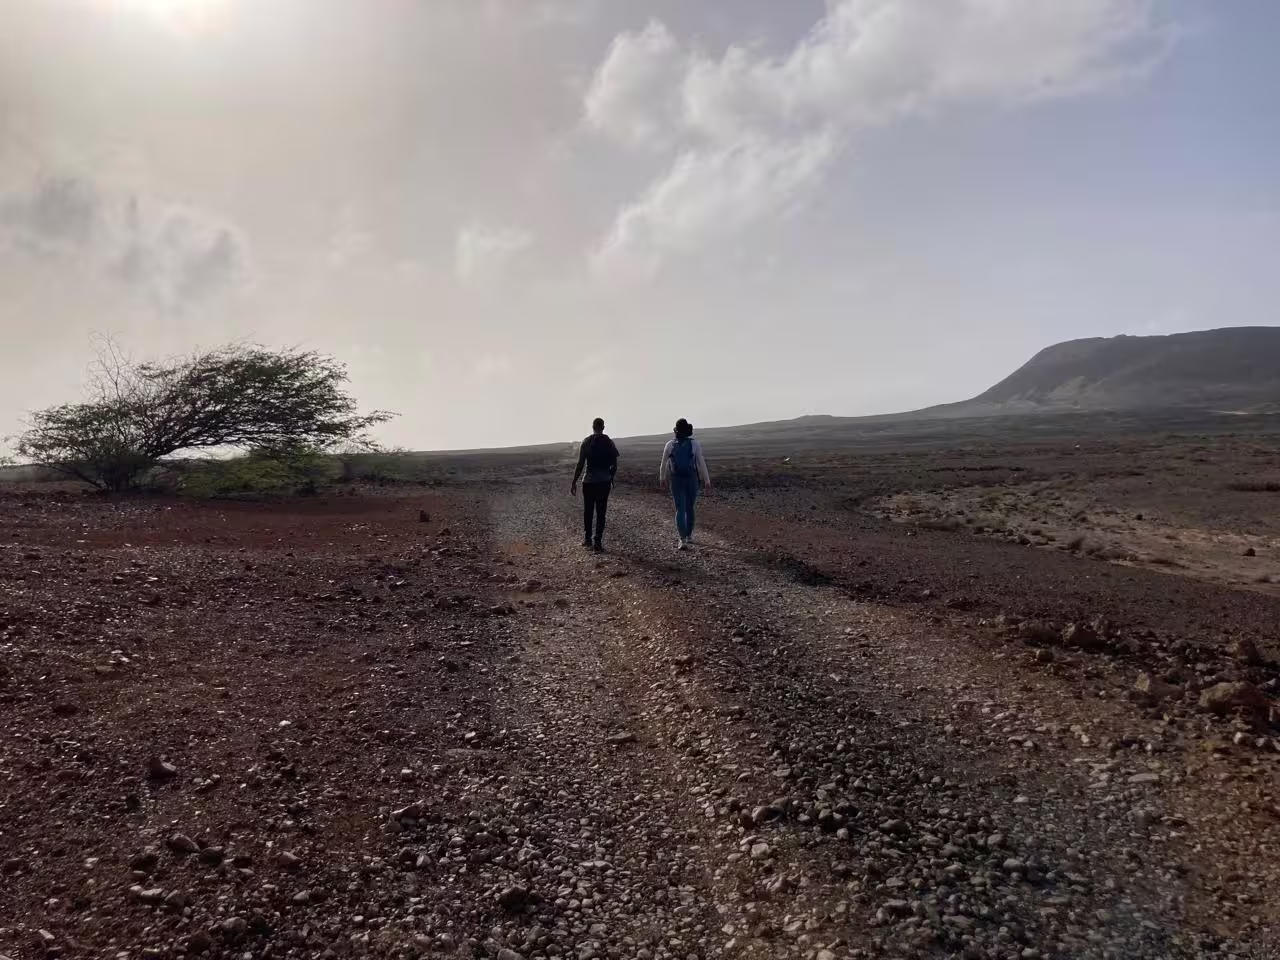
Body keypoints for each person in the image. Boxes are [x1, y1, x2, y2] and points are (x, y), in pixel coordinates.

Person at [659, 418, 710, 550]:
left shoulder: (670, 444)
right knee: (690, 507)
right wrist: (707, 480)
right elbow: (700, 462)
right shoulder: (695, 444)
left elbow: (663, 462)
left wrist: (662, 477)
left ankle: (682, 539)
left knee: (680, 509)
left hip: (676, 480)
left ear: (676, 430)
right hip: (691, 479)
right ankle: (689, 536)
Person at [571, 417, 619, 552]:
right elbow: (614, 464)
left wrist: (574, 481)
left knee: (588, 511)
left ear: (592, 427)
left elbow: (580, 464)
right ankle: (597, 542)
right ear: (603, 427)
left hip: (589, 481)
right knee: (601, 512)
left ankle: (587, 539)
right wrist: (611, 477)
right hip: (603, 481)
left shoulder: (586, 442)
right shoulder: (609, 442)